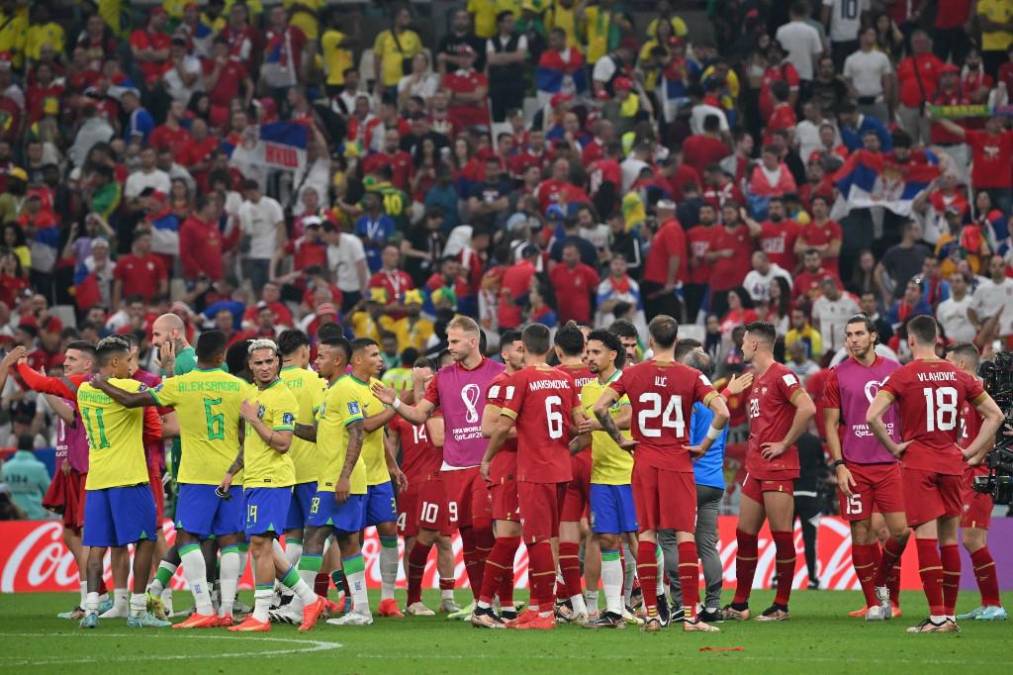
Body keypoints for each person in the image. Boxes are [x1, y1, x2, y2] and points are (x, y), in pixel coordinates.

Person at [91, 330, 249, 628]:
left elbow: (130, 400)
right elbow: (247, 430)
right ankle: (226, 609)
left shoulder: (180, 385)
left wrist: (102, 384)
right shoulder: (238, 387)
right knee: (230, 539)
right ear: (221, 356)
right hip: (232, 475)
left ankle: (203, 607)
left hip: (195, 474)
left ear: (198, 355)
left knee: (187, 537)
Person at [593, 314, 730, 633]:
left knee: (646, 534)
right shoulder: (692, 375)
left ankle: (652, 614)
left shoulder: (634, 373)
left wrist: (621, 439)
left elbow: (600, 408)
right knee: (684, 535)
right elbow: (722, 410)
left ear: (650, 341)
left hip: (644, 461)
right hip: (678, 462)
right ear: (676, 338)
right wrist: (704, 444)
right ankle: (690, 616)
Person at [866, 316, 1003, 633]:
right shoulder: (959, 374)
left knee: (926, 539)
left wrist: (895, 447)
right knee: (949, 541)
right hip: (952, 464)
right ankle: (950, 617)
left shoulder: (903, 375)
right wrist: (969, 452)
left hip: (920, 464)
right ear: (937, 339)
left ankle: (937, 616)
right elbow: (994, 415)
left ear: (911, 341)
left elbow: (873, 415)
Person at [372, 315, 502, 620]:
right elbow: (419, 416)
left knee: (486, 529)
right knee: (468, 536)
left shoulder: (498, 373)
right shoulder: (443, 377)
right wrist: (394, 403)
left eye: (455, 341)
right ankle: (483, 604)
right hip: (454, 468)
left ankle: (497, 598)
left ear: (473, 341)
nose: (450, 346)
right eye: (448, 341)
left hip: (486, 464)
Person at [217, 339, 325, 632]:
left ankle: (261, 615)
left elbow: (282, 442)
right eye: (258, 363)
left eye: (269, 361)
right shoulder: (253, 393)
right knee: (268, 547)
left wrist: (254, 420)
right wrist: (231, 471)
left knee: (260, 546)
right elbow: (251, 442)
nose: (265, 367)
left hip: (273, 479)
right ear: (250, 366)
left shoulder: (283, 397)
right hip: (253, 477)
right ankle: (310, 599)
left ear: (278, 361)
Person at [478, 323, 578, 631]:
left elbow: (499, 427)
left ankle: (545, 612)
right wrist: (564, 447)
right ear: (550, 348)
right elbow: (580, 425)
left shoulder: (520, 380)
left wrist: (487, 458)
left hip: (534, 470)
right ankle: (537, 606)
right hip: (561, 469)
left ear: (524, 346)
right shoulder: (564, 379)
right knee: (549, 538)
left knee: (536, 540)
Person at [722, 321, 816, 623]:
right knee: (744, 534)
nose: (740, 346)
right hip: (755, 466)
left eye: (744, 341)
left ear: (755, 345)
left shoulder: (782, 375)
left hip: (778, 467)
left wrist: (784, 443)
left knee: (782, 536)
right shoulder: (755, 379)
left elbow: (808, 408)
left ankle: (781, 605)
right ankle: (740, 604)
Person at [77, 336, 168, 629]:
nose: (133, 368)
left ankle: (91, 607)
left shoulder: (82, 390)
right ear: (115, 363)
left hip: (97, 480)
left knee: (96, 546)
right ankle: (138, 609)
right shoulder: (129, 386)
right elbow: (160, 394)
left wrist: (101, 384)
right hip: (129, 478)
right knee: (146, 540)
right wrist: (166, 366)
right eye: (129, 361)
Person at [822, 316, 906, 621]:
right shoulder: (837, 375)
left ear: (873, 336)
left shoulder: (895, 372)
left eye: (859, 334)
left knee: (899, 532)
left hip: (889, 464)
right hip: (855, 467)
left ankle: (886, 591)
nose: (854, 339)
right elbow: (830, 425)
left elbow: (907, 416)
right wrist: (839, 465)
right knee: (861, 532)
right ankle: (875, 603)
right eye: (849, 335)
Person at [664, 340, 747, 624]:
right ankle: (712, 607)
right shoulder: (718, 402)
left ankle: (681, 603)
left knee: (668, 539)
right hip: (713, 482)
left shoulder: (685, 402)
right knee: (707, 545)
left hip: (687, 478)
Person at [291, 334, 372, 626]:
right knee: (342, 540)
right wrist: (286, 425)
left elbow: (358, 432)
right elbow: (319, 434)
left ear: (338, 360)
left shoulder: (346, 390)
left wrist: (344, 477)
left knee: (318, 536)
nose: (316, 360)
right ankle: (358, 609)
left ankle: (304, 604)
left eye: (322, 356)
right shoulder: (330, 390)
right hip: (328, 477)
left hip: (340, 479)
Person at [570, 329, 634, 629]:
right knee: (608, 538)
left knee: (639, 540)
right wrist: (564, 450)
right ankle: (615, 611)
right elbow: (585, 436)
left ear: (612, 354)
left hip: (630, 472)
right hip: (600, 474)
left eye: (595, 352)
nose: (589, 357)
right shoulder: (587, 390)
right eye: (588, 352)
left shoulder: (628, 383)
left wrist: (596, 422)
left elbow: (631, 417)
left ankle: (657, 600)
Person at [947, 343, 1007, 622]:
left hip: (977, 474)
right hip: (965, 472)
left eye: (948, 362)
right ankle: (989, 604)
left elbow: (994, 428)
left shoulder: (978, 390)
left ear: (960, 365)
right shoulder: (960, 391)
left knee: (972, 539)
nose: (944, 367)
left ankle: (994, 604)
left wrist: (975, 457)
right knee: (975, 539)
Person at [393, 360, 457, 617]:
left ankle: (448, 598)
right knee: (415, 539)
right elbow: (392, 445)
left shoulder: (450, 409)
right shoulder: (409, 414)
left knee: (444, 538)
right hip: (413, 482)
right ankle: (413, 597)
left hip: (443, 479)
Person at [471, 330, 526, 628]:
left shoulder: (524, 382)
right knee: (507, 538)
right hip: (508, 466)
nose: (523, 353)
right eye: (519, 349)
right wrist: (533, 432)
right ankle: (482, 607)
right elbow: (488, 427)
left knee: (511, 540)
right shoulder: (501, 384)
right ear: (505, 354)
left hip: (524, 466)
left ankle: (505, 608)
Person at [275, 330, 328, 612]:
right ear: (305, 351)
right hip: (311, 471)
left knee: (292, 538)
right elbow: (322, 428)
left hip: (282, 472)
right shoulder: (314, 381)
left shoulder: (272, 382)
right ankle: (300, 601)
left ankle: (280, 595)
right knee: (316, 536)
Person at [551, 323, 597, 624]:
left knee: (564, 534)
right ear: (585, 347)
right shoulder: (598, 373)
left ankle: (571, 600)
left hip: (567, 457)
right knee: (600, 534)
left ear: (557, 350)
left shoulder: (552, 377)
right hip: (600, 458)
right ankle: (597, 604)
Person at [0, 435, 51, 519]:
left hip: (13, 515)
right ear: (32, 447)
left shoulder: (5, 467)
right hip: (35, 515)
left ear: (17, 447)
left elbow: (3, 492)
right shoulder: (39, 467)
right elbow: (49, 491)